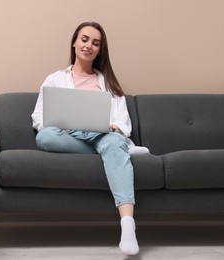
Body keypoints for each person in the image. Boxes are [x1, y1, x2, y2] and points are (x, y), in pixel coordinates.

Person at [31, 21, 141, 255]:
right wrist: (69, 126)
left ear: (100, 50)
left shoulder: (108, 83)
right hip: (65, 135)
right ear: (74, 42)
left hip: (105, 137)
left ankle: (128, 226)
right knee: (45, 136)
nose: (89, 45)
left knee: (113, 140)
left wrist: (112, 128)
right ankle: (116, 152)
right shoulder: (54, 79)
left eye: (95, 43)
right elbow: (39, 117)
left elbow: (124, 123)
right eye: (84, 39)